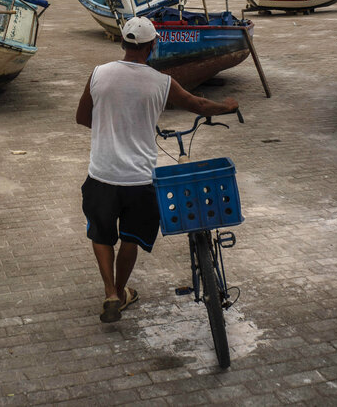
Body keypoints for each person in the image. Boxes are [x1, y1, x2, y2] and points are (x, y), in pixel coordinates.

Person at [76, 17, 238, 323]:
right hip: (139, 179)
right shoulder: (161, 82)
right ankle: (122, 290)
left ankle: (111, 292)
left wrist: (109, 128)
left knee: (101, 234)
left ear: (122, 43)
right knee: (131, 239)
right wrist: (227, 106)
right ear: (152, 46)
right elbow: (198, 105)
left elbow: (83, 117)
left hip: (102, 174)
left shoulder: (98, 74)